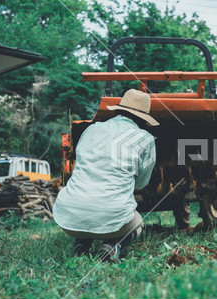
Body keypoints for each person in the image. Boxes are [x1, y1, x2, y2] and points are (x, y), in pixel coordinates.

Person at [53, 89, 159, 261]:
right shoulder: (145, 139)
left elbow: (78, 165)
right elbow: (141, 184)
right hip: (114, 218)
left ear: (118, 110)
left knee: (87, 201)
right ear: (143, 119)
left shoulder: (91, 129)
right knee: (138, 223)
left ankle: (81, 245)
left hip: (67, 216)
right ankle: (111, 246)